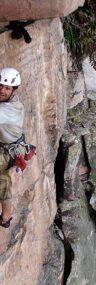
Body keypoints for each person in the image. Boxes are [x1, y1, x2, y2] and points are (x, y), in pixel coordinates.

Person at [0, 67, 35, 228]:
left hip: (9, 150)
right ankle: (6, 216)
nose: (2, 90)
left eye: (7, 88)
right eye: (0, 86)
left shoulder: (12, 109)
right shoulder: (6, 102)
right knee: (2, 179)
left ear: (13, 90)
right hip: (6, 147)